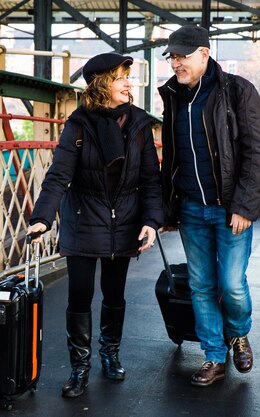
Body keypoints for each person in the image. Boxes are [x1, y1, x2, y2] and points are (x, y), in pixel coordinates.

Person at [27, 52, 163, 398]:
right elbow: (59, 174)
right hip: (83, 218)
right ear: (103, 84)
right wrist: (42, 218)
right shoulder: (79, 124)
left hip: (126, 220)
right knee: (80, 295)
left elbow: (150, 179)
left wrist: (150, 221)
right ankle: (80, 366)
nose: (127, 84)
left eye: (126, 78)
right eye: (121, 78)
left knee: (115, 295)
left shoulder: (139, 124)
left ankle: (110, 353)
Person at [158, 26, 260, 387]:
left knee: (232, 284)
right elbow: (173, 157)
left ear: (204, 55)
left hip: (231, 210)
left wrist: (243, 205)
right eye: (173, 56)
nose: (177, 62)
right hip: (192, 208)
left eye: (183, 55)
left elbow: (258, 153)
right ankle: (213, 356)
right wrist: (168, 209)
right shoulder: (173, 96)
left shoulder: (238, 91)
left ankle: (238, 334)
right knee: (200, 285)